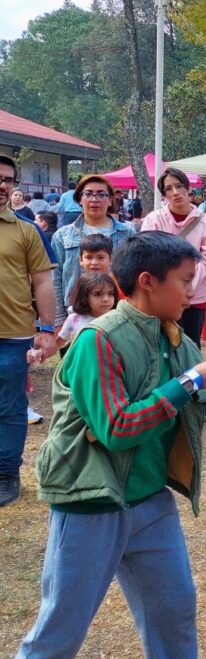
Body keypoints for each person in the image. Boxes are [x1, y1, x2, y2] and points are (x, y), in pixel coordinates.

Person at [0, 232, 206, 659]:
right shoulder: (100, 340)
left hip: (150, 501)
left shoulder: (176, 339)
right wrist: (185, 383)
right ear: (147, 282)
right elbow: (116, 427)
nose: (191, 293)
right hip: (91, 502)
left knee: (173, 610)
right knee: (61, 629)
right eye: (184, 282)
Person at [0, 154, 59, 507]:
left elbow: (43, 283)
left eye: (8, 179)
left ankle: (6, 474)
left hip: (12, 336)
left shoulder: (26, 230)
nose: (2, 185)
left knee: (9, 408)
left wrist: (48, 329)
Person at [140, 168, 206, 347]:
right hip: (161, 296)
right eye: (168, 188)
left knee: (190, 347)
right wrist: (168, 287)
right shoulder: (154, 220)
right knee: (159, 346)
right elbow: (147, 254)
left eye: (179, 186)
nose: (175, 192)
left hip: (193, 298)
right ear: (164, 194)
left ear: (188, 188)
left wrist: (184, 289)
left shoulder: (205, 222)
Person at [50, 174, 134, 328]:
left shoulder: (127, 233)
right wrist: (59, 321)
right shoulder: (62, 235)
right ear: (80, 200)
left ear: (110, 200)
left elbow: (133, 276)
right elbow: (55, 279)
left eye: (101, 194)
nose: (94, 199)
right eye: (88, 194)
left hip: (117, 315)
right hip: (75, 314)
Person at [55, 271, 118, 349]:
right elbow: (58, 343)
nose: (106, 299)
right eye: (98, 294)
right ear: (84, 297)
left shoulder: (118, 319)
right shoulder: (74, 320)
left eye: (111, 293)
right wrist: (41, 352)